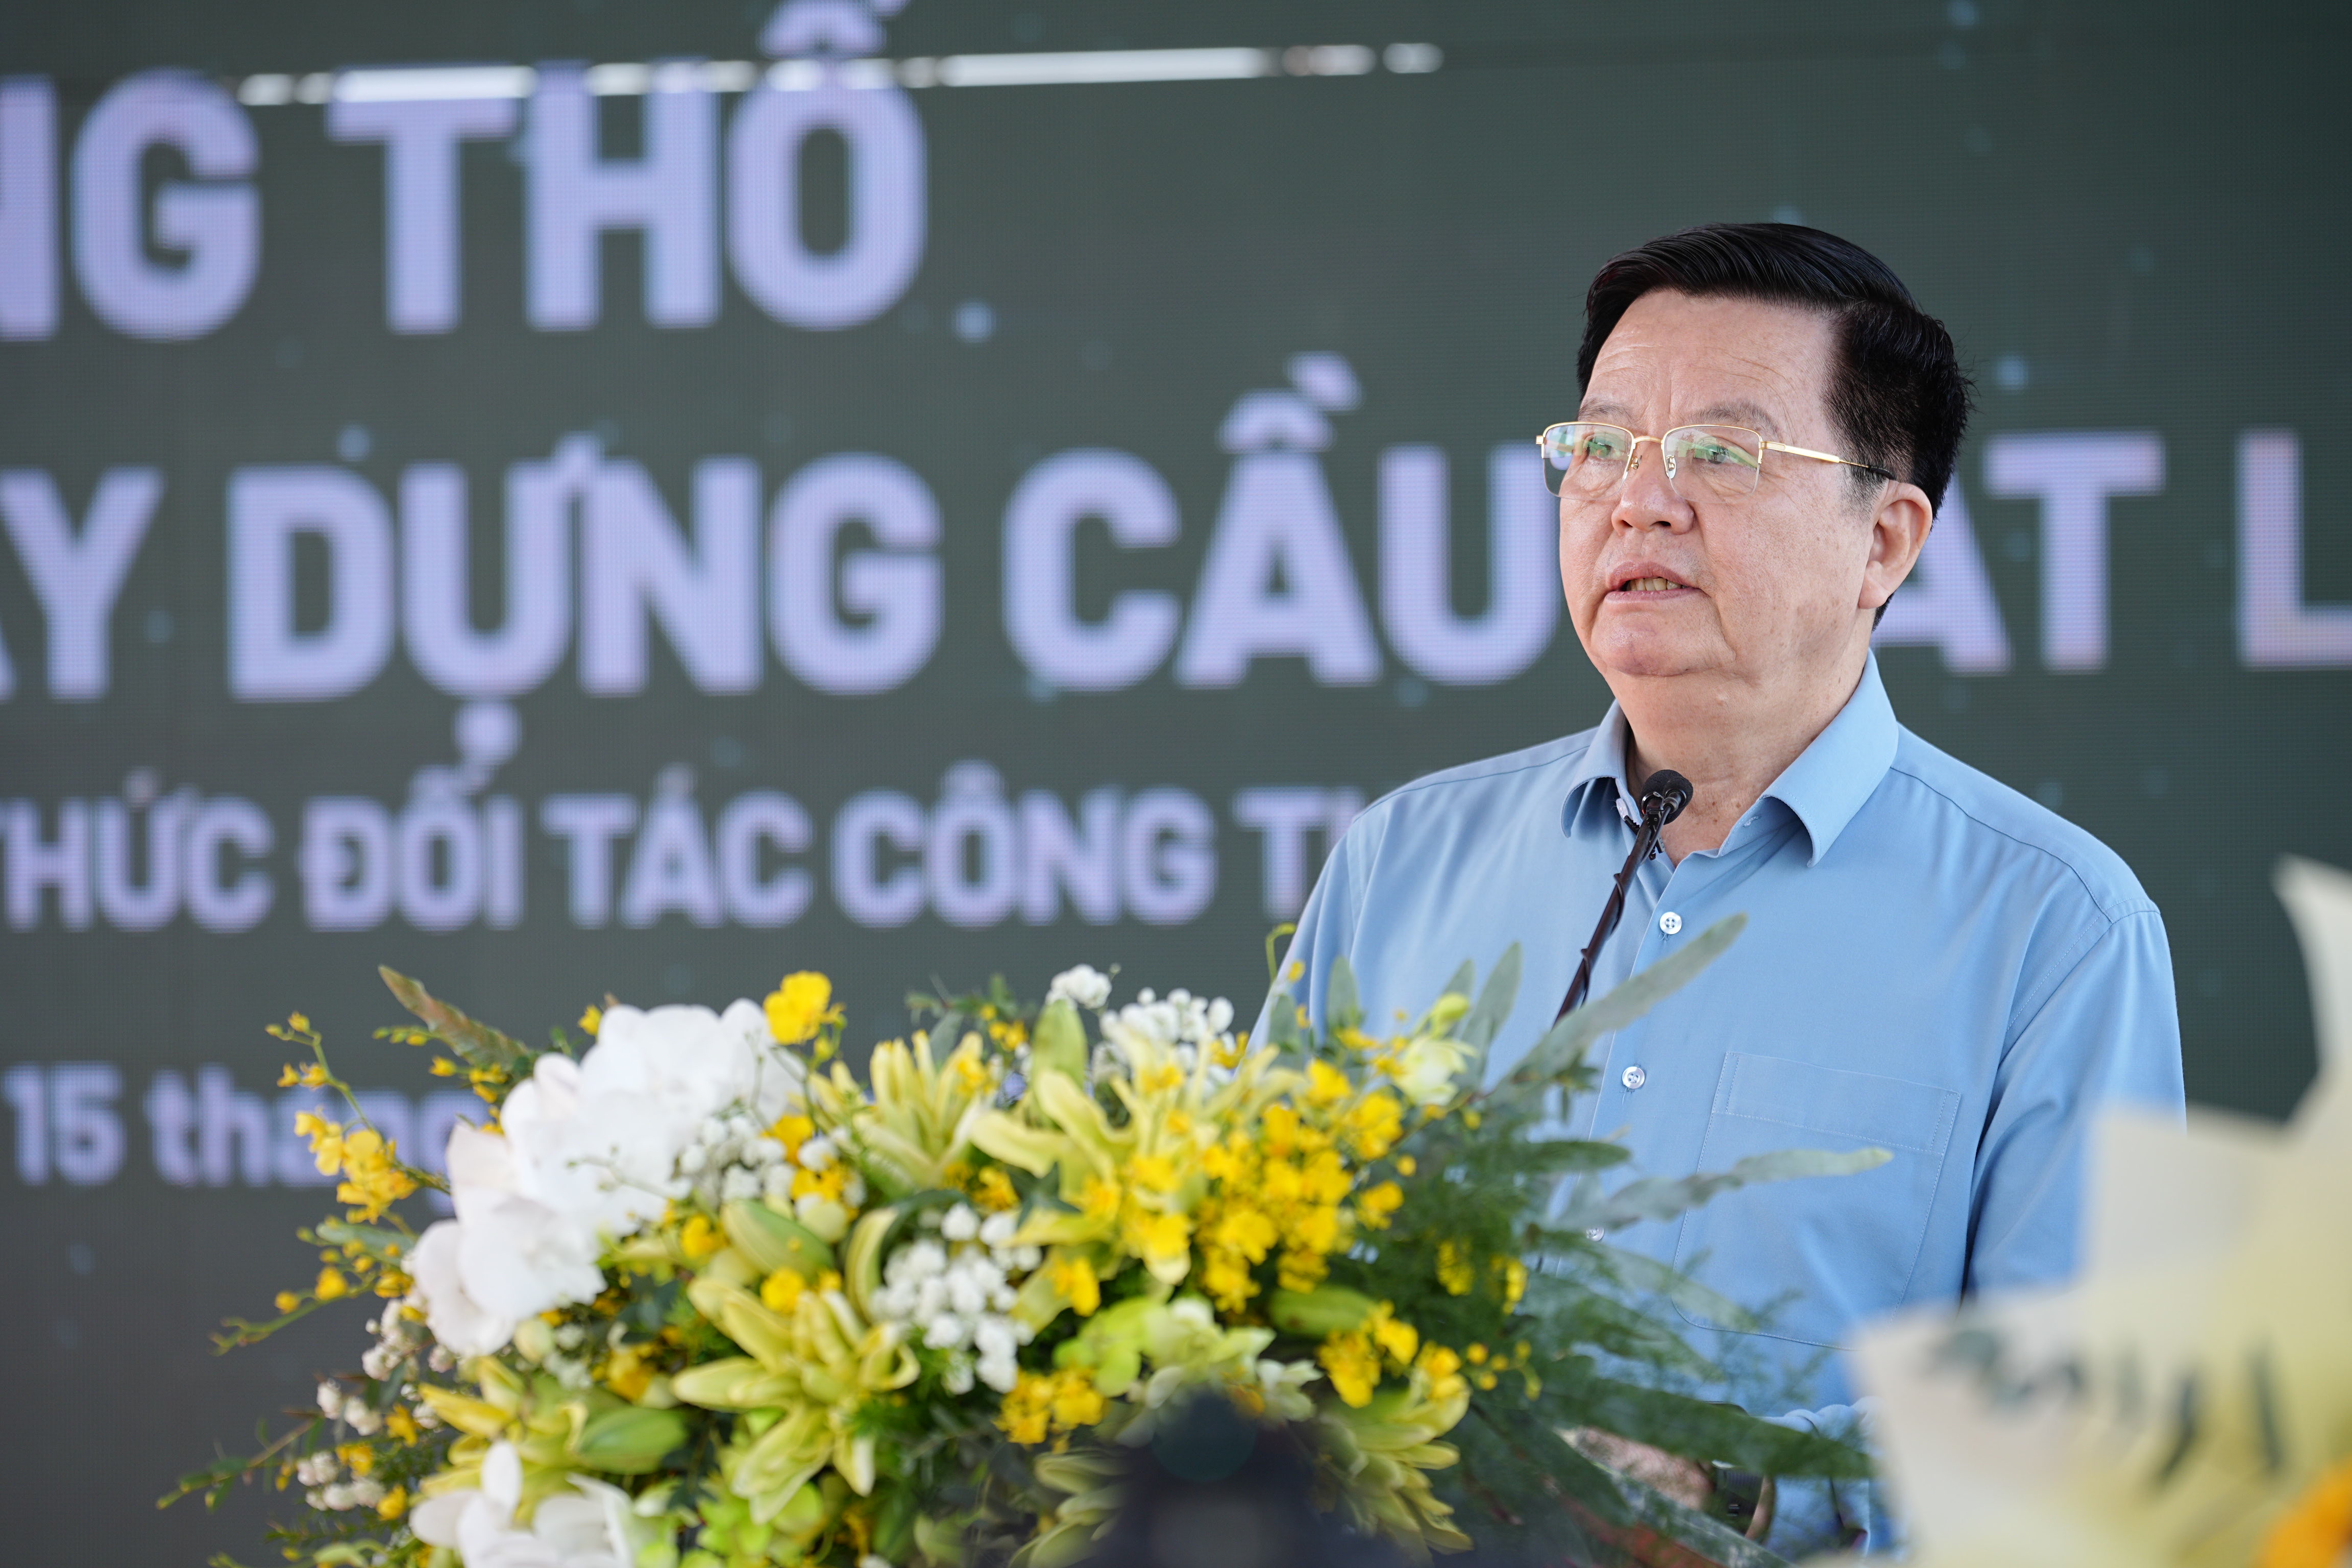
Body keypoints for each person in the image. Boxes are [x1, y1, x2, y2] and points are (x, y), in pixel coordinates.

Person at [1257, 223, 2185, 1553]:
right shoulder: (1404, 862)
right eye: (1600, 448)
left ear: (1885, 542)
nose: (1639, 501)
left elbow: (2082, 1446)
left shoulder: (2053, 928)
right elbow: (1249, 1301)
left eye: (1722, 455)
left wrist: (1731, 1497)